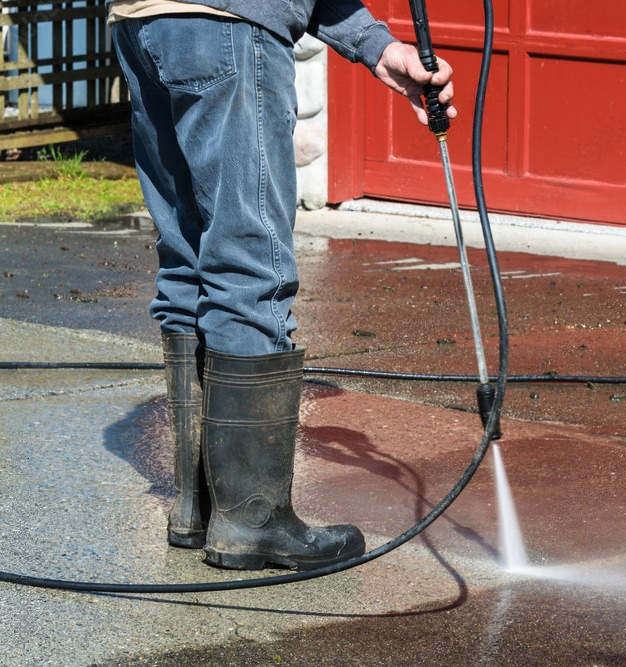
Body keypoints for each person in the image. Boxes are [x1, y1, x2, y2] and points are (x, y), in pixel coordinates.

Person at [106, 0, 456, 571]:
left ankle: (200, 508)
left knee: (188, 261)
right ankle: (252, 519)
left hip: (145, 24)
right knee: (251, 263)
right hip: (230, 28)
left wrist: (378, 48)